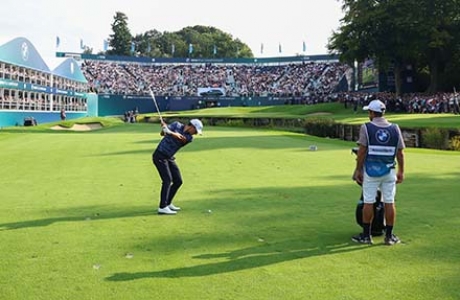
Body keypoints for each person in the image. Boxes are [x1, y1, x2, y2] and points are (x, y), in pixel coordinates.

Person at [352, 99, 405, 245]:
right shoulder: (395, 128)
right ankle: (389, 236)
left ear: (371, 113)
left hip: (371, 170)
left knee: (368, 202)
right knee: (389, 202)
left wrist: (358, 170)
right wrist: (401, 171)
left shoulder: (366, 128)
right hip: (389, 170)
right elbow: (400, 153)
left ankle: (366, 236)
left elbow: (362, 151)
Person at [152, 119, 203, 215]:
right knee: (167, 180)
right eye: (195, 131)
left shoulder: (189, 137)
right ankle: (162, 207)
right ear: (191, 126)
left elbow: (180, 138)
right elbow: (163, 134)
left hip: (169, 157)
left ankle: (168, 203)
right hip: (160, 155)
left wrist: (169, 131)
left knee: (178, 181)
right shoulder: (176, 125)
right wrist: (164, 128)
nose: (195, 133)